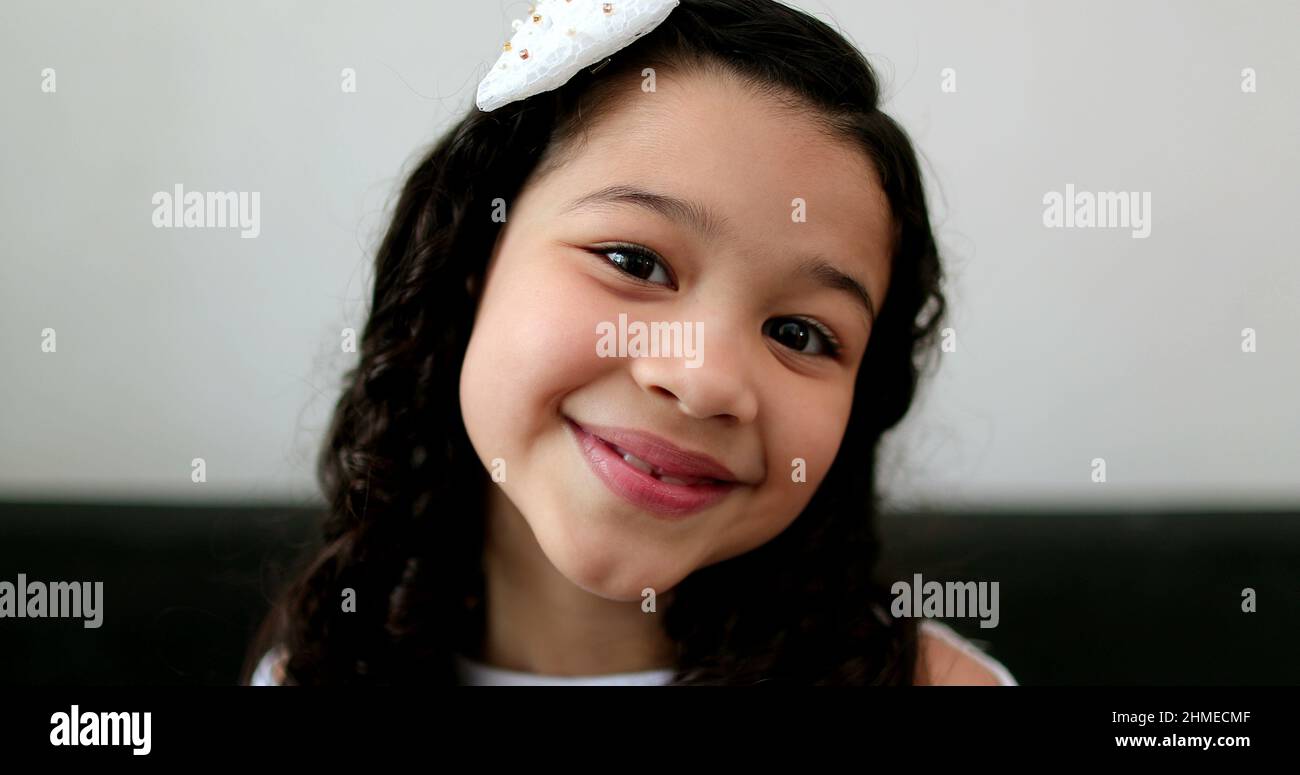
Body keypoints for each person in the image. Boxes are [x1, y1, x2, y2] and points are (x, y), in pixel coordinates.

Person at [243, 0, 1016, 686]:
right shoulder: (317, 668)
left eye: (799, 333)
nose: (705, 380)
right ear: (472, 262)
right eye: (634, 262)